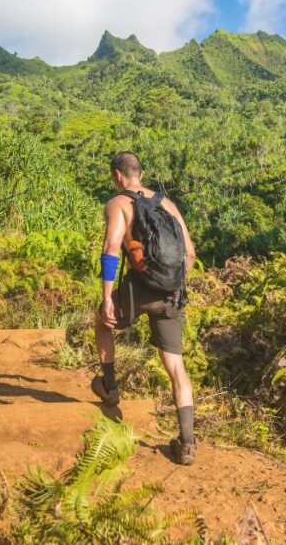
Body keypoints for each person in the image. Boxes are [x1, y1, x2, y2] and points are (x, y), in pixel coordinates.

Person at [92, 151, 198, 465]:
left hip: (138, 289)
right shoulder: (168, 204)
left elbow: (111, 250)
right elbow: (189, 254)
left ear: (116, 175)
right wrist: (172, 287)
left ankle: (110, 388)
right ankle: (188, 443)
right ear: (139, 172)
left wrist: (109, 297)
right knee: (176, 366)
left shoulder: (118, 204)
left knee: (102, 322)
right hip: (172, 292)